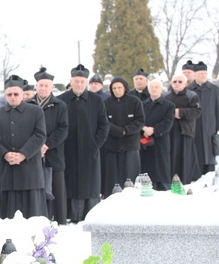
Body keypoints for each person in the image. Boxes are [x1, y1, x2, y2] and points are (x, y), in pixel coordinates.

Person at [60, 64, 109, 222]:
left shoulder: (96, 100)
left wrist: (95, 144)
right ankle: (70, 215)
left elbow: (104, 125)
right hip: (68, 150)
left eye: (82, 81)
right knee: (70, 183)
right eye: (76, 81)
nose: (79, 84)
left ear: (86, 82)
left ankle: (89, 216)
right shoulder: (62, 100)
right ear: (71, 81)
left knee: (90, 185)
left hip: (90, 151)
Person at [0, 75, 47, 219]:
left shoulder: (36, 111)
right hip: (8, 173)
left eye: (16, 94)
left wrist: (23, 154)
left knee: (33, 217)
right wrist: (4, 154)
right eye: (9, 94)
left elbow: (40, 135)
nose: (12, 97)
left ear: (23, 95)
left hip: (31, 173)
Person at [30, 67, 68, 225]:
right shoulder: (29, 105)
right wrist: (36, 146)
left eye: (46, 85)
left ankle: (57, 219)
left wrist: (47, 145)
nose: (43, 88)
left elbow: (63, 129)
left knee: (56, 188)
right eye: (41, 85)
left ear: (52, 87)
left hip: (53, 152)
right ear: (36, 87)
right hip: (33, 153)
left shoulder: (60, 105)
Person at [102, 77, 145, 196]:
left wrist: (126, 131)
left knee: (131, 176)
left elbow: (140, 120)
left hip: (130, 145)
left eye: (119, 87)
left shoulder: (135, 101)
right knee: (112, 178)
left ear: (125, 88)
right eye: (114, 88)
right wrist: (118, 131)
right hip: (112, 146)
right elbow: (104, 121)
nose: (117, 90)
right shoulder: (106, 103)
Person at [140, 79, 175, 190]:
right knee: (146, 164)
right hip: (145, 139)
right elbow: (139, 119)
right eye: (152, 87)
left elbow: (168, 122)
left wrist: (153, 130)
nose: (154, 89)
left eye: (156, 87)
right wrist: (144, 129)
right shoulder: (142, 105)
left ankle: (163, 186)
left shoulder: (169, 105)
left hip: (161, 139)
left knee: (161, 164)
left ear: (161, 89)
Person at [189, 61, 219, 174]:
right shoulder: (189, 90)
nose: (203, 75)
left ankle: (210, 171)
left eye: (204, 73)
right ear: (194, 75)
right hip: (195, 124)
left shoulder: (214, 89)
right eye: (200, 73)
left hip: (210, 124)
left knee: (209, 149)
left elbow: (218, 108)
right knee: (196, 148)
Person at [167, 74, 202, 183]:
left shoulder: (191, 96)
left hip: (184, 130)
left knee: (184, 156)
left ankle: (185, 180)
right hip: (169, 131)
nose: (177, 84)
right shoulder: (166, 96)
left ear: (186, 83)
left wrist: (180, 112)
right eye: (175, 82)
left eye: (180, 82)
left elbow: (197, 111)